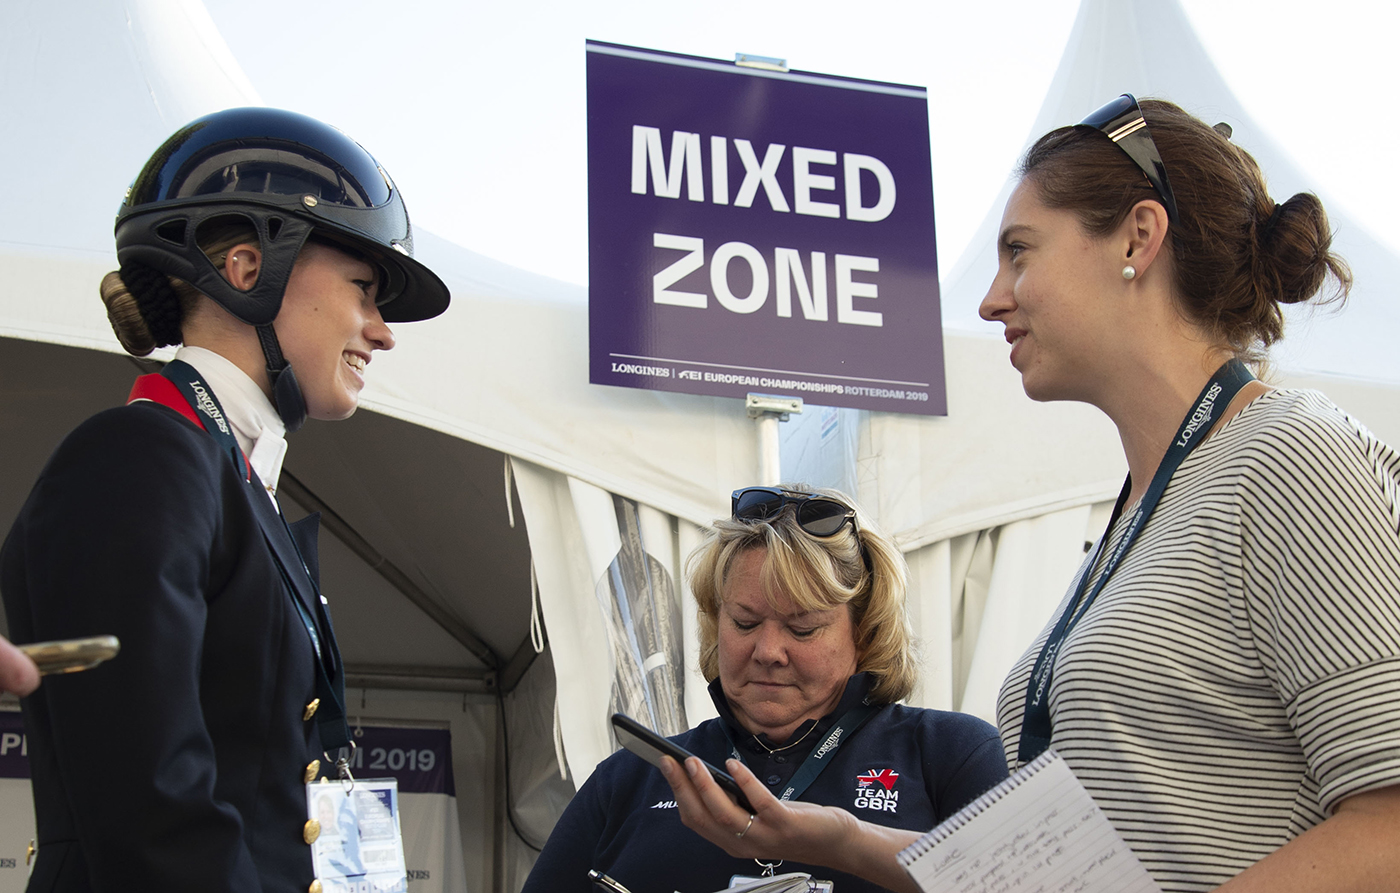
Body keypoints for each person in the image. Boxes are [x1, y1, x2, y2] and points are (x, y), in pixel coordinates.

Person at [663, 96, 1400, 893]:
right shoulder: (1142, 514)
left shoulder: (1290, 454)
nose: (992, 297)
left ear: (1137, 238)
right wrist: (836, 837)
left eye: (1020, 251)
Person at [0, 107, 449, 892]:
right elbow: (154, 811)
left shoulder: (232, 479)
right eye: (364, 289)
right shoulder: (139, 455)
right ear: (250, 267)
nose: (383, 332)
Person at [522, 485, 1007, 893]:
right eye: (745, 621)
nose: (768, 650)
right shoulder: (629, 779)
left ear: (864, 633)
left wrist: (846, 844)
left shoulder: (951, 755)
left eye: (802, 628)